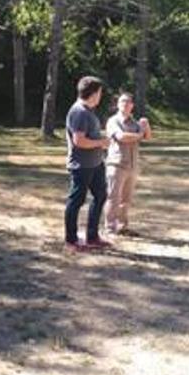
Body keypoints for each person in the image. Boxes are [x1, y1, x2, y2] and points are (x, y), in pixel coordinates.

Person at [63, 76, 112, 253]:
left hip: (96, 163)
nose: (100, 96)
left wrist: (101, 141)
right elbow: (79, 141)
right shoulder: (79, 112)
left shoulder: (88, 111)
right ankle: (71, 240)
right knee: (76, 200)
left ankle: (92, 237)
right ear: (92, 93)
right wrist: (100, 143)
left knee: (100, 196)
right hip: (81, 165)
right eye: (99, 92)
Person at [103, 92, 152, 236]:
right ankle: (110, 228)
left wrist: (146, 126)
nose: (125, 104)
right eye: (122, 101)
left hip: (132, 165)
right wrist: (139, 135)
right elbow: (121, 137)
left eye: (128, 102)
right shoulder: (113, 121)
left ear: (132, 106)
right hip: (116, 165)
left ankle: (123, 226)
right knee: (113, 197)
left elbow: (148, 137)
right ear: (118, 104)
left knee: (126, 199)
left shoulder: (134, 122)